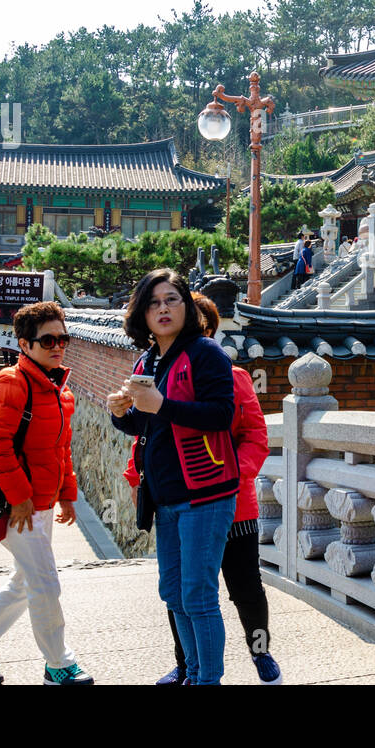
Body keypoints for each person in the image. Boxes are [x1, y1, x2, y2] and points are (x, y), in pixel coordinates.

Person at [0, 301, 92, 686]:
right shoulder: (11, 383)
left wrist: (66, 494)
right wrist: (19, 496)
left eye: (63, 338)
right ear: (25, 344)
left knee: (25, 583)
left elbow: (62, 449)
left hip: (41, 504)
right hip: (19, 506)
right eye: (48, 340)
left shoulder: (60, 392)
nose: (58, 346)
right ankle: (59, 664)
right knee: (45, 582)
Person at [139, 292, 281, 685]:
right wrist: (141, 471)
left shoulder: (232, 378)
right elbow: (155, 436)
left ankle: (260, 651)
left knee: (246, 590)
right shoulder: (162, 374)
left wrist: (237, 478)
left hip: (232, 505)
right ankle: (186, 664)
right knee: (181, 592)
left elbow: (255, 436)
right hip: (181, 500)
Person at [107, 269, 239, 685]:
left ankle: (208, 680)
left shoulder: (206, 354)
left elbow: (222, 415)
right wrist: (121, 414)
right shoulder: (148, 360)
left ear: (187, 306)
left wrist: (161, 404)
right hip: (165, 495)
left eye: (172, 300)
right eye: (153, 302)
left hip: (206, 492)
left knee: (199, 596)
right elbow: (145, 426)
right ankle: (194, 673)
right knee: (175, 595)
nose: (162, 309)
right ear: (141, 314)